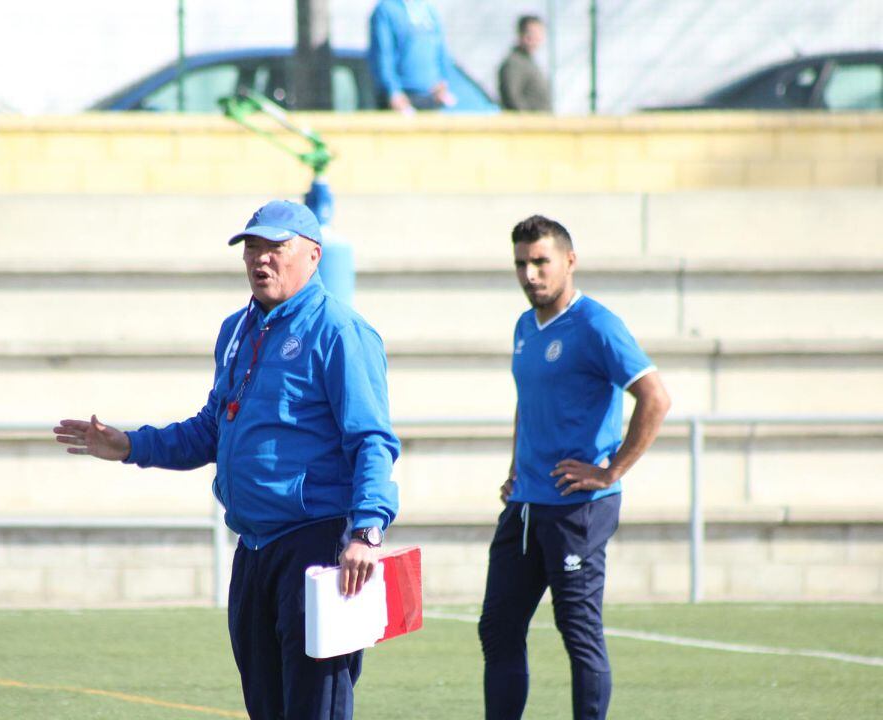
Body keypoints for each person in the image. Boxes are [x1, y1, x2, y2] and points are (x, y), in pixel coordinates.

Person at [53, 200, 400, 720]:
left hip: (316, 544)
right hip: (254, 548)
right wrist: (130, 446)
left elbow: (372, 440)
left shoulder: (341, 332)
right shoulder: (237, 330)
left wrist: (367, 531)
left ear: (312, 255)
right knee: (266, 707)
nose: (261, 260)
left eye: (275, 247)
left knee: (315, 708)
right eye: (252, 248)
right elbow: (212, 429)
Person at [478, 215, 670, 720]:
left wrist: (611, 472)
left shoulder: (596, 325)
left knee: (577, 632)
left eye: (541, 262)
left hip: (578, 509)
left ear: (569, 261)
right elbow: (529, 399)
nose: (530, 274)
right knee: (497, 627)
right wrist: (516, 465)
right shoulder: (525, 327)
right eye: (521, 263)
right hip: (525, 506)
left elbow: (655, 398)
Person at [369, 0, 457, 113]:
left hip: (431, 95)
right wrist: (392, 91)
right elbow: (382, 54)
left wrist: (443, 80)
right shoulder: (386, 8)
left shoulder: (427, 8)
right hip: (402, 97)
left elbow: (441, 48)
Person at [498, 15, 552, 112]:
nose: (535, 38)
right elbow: (511, 98)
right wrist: (529, 121)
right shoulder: (513, 64)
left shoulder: (530, 62)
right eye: (531, 33)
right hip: (527, 125)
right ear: (520, 34)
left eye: (539, 33)